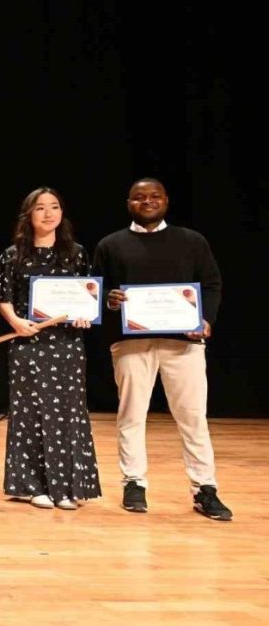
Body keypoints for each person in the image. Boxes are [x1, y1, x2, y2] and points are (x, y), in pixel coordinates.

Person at [93, 178, 230, 520]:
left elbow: (212, 284)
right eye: (139, 197)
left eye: (154, 196)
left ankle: (204, 488)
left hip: (183, 343)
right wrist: (108, 300)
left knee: (193, 417)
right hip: (131, 342)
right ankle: (133, 483)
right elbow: (95, 290)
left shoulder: (191, 241)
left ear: (166, 200)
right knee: (131, 415)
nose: (148, 201)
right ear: (129, 203)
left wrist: (206, 319)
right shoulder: (111, 245)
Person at [0, 187, 101, 510]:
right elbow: (2, 294)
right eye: (40, 208)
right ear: (29, 215)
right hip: (28, 344)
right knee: (29, 412)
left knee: (68, 412)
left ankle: (67, 487)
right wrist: (14, 322)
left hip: (67, 345)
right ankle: (31, 485)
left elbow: (88, 294)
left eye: (54, 207)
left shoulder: (77, 253)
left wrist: (84, 317)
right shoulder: (14, 255)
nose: (48, 213)